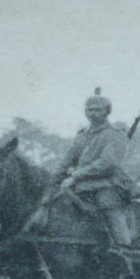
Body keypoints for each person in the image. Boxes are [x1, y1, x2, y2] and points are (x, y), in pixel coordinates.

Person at [55, 87, 133, 248]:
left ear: (107, 111)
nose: (92, 113)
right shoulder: (82, 135)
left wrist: (75, 175)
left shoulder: (116, 135)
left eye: (98, 110)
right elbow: (66, 162)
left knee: (107, 205)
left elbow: (107, 164)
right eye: (89, 110)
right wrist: (53, 179)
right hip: (80, 186)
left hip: (107, 184)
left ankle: (123, 247)